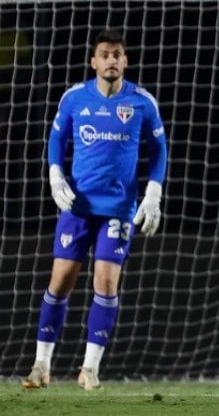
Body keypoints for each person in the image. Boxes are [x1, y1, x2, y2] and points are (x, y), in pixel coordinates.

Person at [22, 28, 168, 390]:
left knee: (106, 283)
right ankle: (41, 365)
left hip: (119, 208)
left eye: (117, 54)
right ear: (93, 61)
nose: (111, 60)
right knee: (61, 281)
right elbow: (57, 138)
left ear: (125, 61)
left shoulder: (141, 102)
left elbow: (159, 149)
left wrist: (154, 192)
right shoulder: (75, 98)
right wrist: (56, 175)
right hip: (79, 206)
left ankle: (90, 368)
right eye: (104, 54)